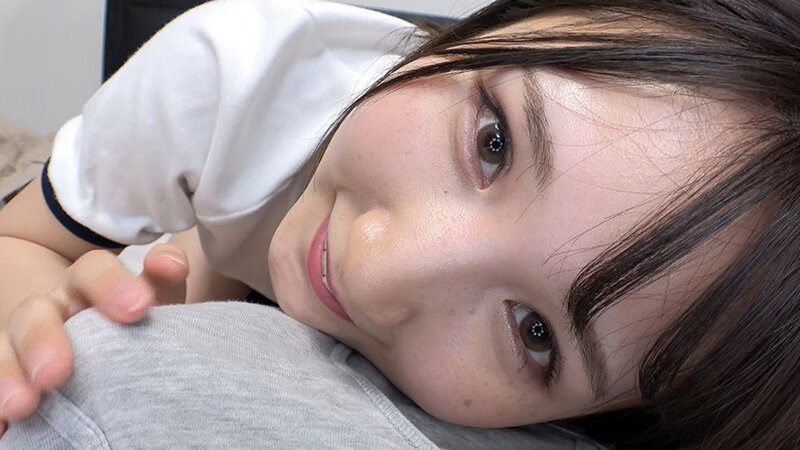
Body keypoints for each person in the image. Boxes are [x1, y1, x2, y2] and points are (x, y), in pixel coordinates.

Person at [0, 0, 797, 448]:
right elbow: (25, 235)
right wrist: (39, 333)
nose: (374, 269)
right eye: (494, 143)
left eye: (535, 334)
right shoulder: (236, 73)